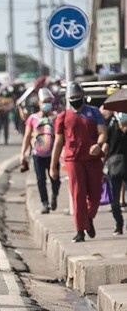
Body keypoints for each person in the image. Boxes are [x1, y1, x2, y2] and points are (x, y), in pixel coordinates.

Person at [50, 82, 107, 243]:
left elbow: (102, 133)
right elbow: (58, 142)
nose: (75, 100)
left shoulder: (94, 112)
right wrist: (53, 165)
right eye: (72, 97)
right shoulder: (63, 117)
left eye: (77, 97)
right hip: (73, 160)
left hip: (93, 159)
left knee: (95, 195)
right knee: (78, 194)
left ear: (83, 96)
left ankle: (88, 218)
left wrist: (98, 144)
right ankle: (79, 230)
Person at [19, 88, 61, 214]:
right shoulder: (32, 118)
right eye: (44, 101)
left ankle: (54, 196)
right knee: (40, 180)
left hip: (53, 154)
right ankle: (45, 203)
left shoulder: (56, 117)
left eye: (49, 101)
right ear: (39, 103)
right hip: (37, 154)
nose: (47, 104)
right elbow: (27, 136)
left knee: (55, 178)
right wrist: (23, 154)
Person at [102, 111, 127, 235]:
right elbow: (105, 150)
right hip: (114, 168)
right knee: (114, 201)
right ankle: (119, 223)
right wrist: (101, 168)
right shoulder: (111, 129)